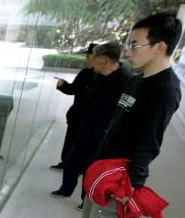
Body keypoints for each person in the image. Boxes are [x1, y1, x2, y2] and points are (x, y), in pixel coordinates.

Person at [50, 12, 182, 218]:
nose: (128, 51)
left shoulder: (164, 90)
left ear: (159, 47)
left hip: (120, 174)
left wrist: (131, 185)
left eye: (135, 45)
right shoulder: (138, 80)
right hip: (103, 164)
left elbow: (150, 142)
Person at [50, 42, 133, 202]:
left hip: (104, 133)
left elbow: (125, 114)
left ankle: (86, 199)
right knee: (72, 161)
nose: (89, 60)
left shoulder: (126, 80)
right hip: (85, 126)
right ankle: (66, 189)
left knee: (91, 167)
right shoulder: (98, 74)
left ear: (104, 60)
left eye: (93, 57)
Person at [50, 43, 97, 170]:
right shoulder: (85, 73)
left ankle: (80, 166)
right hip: (77, 115)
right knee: (71, 139)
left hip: (92, 119)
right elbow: (73, 89)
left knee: (84, 143)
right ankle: (66, 163)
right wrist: (62, 84)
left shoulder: (106, 77)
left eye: (88, 56)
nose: (86, 59)